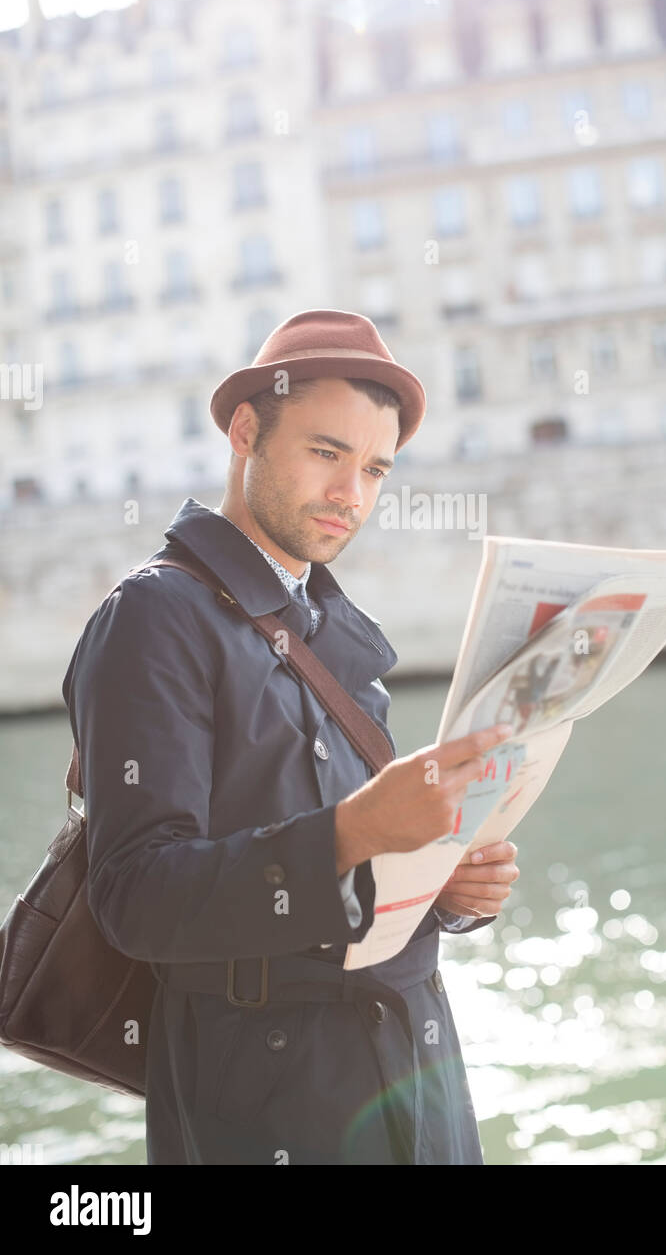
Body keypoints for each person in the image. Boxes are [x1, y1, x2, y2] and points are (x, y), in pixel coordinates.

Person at [61, 309, 519, 1166]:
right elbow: (133, 895)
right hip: (275, 1109)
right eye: (326, 453)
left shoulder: (341, 635)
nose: (353, 493)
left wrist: (444, 887)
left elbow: (357, 878)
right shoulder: (152, 618)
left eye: (375, 468)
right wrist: (356, 833)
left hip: (418, 1083)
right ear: (246, 429)